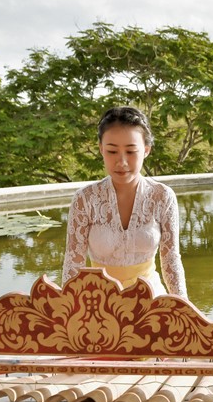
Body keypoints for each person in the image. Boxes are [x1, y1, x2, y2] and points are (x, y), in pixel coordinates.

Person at [61, 106, 187, 298]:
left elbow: (170, 260)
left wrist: (185, 308)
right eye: (112, 151)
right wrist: (69, 310)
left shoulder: (162, 196)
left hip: (151, 300)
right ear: (101, 149)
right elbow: (73, 264)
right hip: (99, 302)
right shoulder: (85, 199)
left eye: (130, 151)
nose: (122, 162)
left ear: (146, 150)